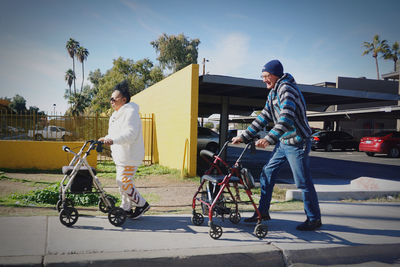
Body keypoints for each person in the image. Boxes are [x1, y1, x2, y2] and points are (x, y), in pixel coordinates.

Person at [232, 60, 322, 231]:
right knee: (267, 172)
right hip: (283, 142)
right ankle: (263, 212)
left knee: (302, 182)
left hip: (297, 142)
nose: (264, 79)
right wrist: (244, 136)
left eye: (266, 76)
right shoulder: (273, 92)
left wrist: (269, 138)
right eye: (263, 76)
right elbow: (263, 117)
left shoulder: (286, 89)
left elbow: (286, 118)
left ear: (274, 75)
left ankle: (314, 219)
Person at [99, 80, 150, 219]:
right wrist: (106, 138)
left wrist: (113, 140)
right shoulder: (115, 116)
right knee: (120, 182)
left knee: (124, 181)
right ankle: (126, 207)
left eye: (113, 99)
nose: (111, 101)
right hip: (121, 156)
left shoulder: (130, 112)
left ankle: (142, 204)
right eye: (110, 99)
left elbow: (131, 134)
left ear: (124, 99)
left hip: (130, 156)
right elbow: (114, 134)